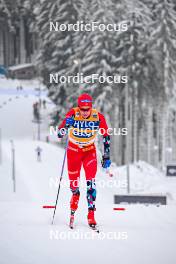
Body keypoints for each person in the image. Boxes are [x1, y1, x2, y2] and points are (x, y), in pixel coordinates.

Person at [58, 93, 111, 228]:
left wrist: (106, 155)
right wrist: (65, 127)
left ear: (91, 107)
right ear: (78, 107)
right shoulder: (72, 114)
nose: (85, 112)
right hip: (73, 152)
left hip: (89, 152)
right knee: (74, 185)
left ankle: (91, 214)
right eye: (82, 109)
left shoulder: (97, 116)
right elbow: (59, 134)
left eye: (88, 109)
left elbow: (106, 136)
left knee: (91, 182)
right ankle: (75, 197)